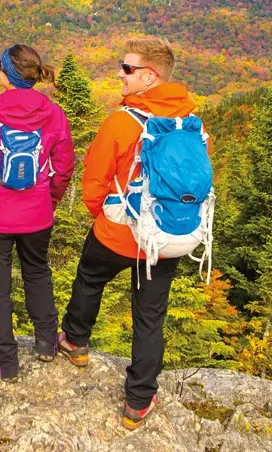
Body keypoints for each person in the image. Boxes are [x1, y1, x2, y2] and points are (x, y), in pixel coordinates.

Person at [58, 36, 195, 430]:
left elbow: (94, 183)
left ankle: (76, 342)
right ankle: (137, 402)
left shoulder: (122, 121)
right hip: (164, 240)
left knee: (89, 279)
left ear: (150, 76)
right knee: (150, 319)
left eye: (127, 68)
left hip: (120, 233)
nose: (120, 73)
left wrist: (99, 216)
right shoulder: (188, 122)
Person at [0, 44, 75, 379]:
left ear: (6, 75)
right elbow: (65, 166)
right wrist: (51, 199)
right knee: (37, 273)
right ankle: (46, 342)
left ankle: (5, 361)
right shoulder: (54, 114)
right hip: (37, 213)